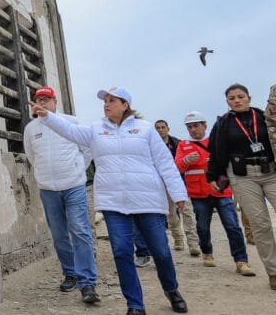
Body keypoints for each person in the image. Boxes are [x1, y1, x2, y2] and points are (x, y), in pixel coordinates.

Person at [31, 86, 189, 315]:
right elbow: (69, 131)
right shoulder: (96, 130)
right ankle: (135, 305)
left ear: (125, 105)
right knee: (122, 252)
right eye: (105, 100)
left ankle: (171, 289)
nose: (106, 104)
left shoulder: (144, 129)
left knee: (161, 251)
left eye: (112, 100)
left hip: (147, 201)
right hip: (114, 203)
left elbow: (165, 163)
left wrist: (179, 193)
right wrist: (47, 116)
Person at [23, 86, 99, 304]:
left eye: (47, 99)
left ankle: (87, 282)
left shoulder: (71, 122)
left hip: (73, 186)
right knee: (59, 235)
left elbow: (87, 149)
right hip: (48, 190)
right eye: (39, 100)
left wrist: (77, 169)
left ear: (55, 102)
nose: (42, 103)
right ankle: (71, 274)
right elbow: (31, 155)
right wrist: (42, 174)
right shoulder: (31, 129)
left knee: (80, 231)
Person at [207, 83, 276, 290]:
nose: (236, 100)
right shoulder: (223, 124)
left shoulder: (265, 117)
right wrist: (213, 175)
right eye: (231, 98)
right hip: (242, 176)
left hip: (271, 172)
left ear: (249, 97)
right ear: (227, 102)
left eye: (240, 96)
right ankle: (273, 272)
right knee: (261, 224)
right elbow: (215, 151)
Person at [174, 111, 255, 275]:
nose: (193, 129)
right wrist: (185, 160)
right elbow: (176, 167)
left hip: (221, 191)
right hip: (198, 194)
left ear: (204, 125)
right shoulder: (183, 145)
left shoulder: (216, 141)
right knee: (202, 227)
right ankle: (207, 253)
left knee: (232, 226)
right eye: (189, 127)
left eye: (196, 125)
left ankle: (241, 261)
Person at [155, 120, 200, 256]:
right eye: (157, 128)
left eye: (163, 127)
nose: (160, 130)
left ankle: (193, 243)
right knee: (171, 214)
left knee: (187, 212)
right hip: (163, 183)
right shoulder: (153, 145)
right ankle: (178, 239)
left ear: (168, 128)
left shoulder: (178, 143)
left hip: (180, 181)